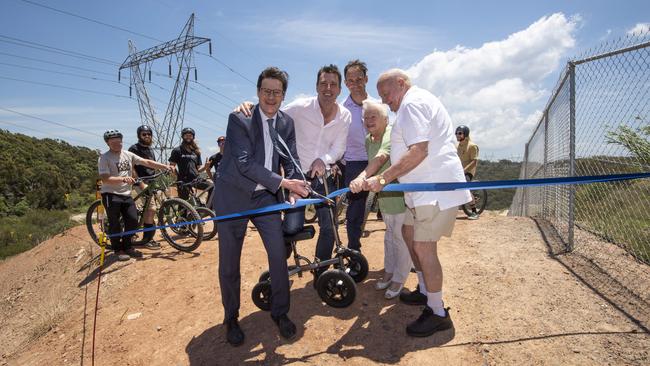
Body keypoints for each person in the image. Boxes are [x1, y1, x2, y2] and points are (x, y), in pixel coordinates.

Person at [365, 69, 471, 337]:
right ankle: (425, 291)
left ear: (401, 84)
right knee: (408, 233)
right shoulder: (411, 104)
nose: (386, 100)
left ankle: (437, 312)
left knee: (424, 247)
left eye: (386, 94)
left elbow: (419, 150)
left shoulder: (413, 103)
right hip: (420, 191)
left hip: (434, 190)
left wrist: (384, 178)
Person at [213, 67, 310, 346]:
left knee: (278, 255)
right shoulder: (239, 118)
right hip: (233, 197)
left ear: (283, 95)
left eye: (276, 92)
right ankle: (231, 317)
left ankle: (280, 313)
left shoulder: (286, 123)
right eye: (266, 91)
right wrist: (285, 184)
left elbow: (291, 158)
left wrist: (296, 186)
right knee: (229, 262)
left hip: (266, 197)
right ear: (257, 92)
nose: (270, 97)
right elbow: (244, 163)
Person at [236, 65, 351, 275]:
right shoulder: (300, 107)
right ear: (316, 86)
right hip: (296, 180)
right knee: (291, 227)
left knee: (329, 226)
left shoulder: (345, 116)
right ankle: (283, 253)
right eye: (323, 83)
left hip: (322, 178)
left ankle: (322, 269)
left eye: (333, 84)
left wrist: (323, 160)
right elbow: (270, 110)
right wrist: (248, 106)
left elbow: (339, 148)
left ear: (339, 89)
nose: (328, 88)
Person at [349, 100, 412, 299]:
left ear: (385, 119)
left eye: (373, 116)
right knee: (390, 235)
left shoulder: (391, 133)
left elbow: (381, 158)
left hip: (401, 196)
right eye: (365, 117)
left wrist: (361, 177)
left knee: (400, 238)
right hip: (385, 196)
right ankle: (389, 271)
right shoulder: (369, 139)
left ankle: (400, 278)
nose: (368, 120)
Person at [98, 130, 173, 261]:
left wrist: (165, 166)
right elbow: (105, 178)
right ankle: (118, 249)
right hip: (111, 194)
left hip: (126, 194)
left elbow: (146, 162)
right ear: (108, 143)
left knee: (133, 220)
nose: (117, 143)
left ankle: (128, 246)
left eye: (119, 141)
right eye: (113, 141)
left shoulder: (128, 154)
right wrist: (123, 179)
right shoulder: (104, 158)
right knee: (114, 223)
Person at [341, 59, 379, 252]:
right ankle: (353, 250)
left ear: (366, 79)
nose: (354, 83)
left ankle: (403, 256)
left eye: (358, 79)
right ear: (346, 83)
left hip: (380, 160)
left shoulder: (377, 105)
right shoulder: (341, 109)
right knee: (355, 211)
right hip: (354, 162)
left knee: (394, 208)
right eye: (350, 80)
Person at [128, 125, 161, 249]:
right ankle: (147, 240)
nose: (147, 136)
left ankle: (142, 232)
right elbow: (131, 167)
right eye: (144, 134)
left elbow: (152, 166)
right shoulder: (134, 148)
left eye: (149, 134)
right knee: (151, 209)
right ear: (139, 136)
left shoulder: (150, 150)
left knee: (150, 209)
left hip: (151, 182)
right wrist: (140, 183)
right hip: (139, 182)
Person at [168, 127, 207, 200]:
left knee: (212, 187)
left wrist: (205, 167)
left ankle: (208, 209)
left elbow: (198, 169)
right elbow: (172, 166)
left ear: (193, 137)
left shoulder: (196, 152)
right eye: (186, 135)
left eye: (190, 135)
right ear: (183, 136)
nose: (188, 137)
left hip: (196, 179)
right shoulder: (177, 150)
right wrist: (177, 177)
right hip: (183, 181)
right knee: (183, 204)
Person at [456, 125, 480, 220]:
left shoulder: (472, 146)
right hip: (458, 171)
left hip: (468, 171)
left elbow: (474, 162)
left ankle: (474, 212)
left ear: (465, 134)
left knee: (465, 188)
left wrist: (464, 170)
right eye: (456, 133)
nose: (457, 135)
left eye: (460, 133)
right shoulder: (458, 146)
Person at [203, 135, 225, 209]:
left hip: (231, 181)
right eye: (220, 143)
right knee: (214, 200)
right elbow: (207, 169)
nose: (222, 144)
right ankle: (207, 211)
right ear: (218, 144)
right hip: (219, 181)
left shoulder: (232, 156)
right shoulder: (214, 157)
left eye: (224, 142)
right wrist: (212, 179)